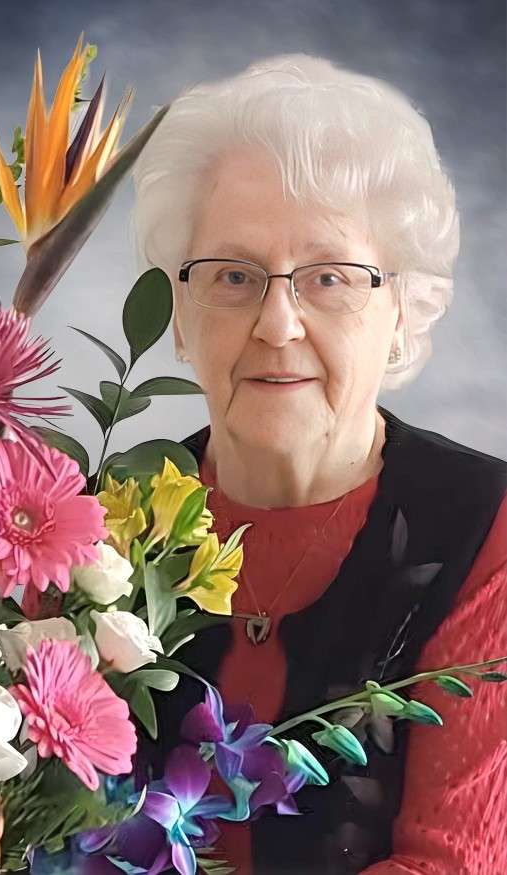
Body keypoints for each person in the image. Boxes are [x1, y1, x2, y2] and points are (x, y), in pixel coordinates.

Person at [130, 55, 507, 873]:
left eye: (328, 277)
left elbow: (450, 862)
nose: (276, 323)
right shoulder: (101, 525)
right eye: (233, 275)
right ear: (180, 314)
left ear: (402, 311)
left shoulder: (487, 528)